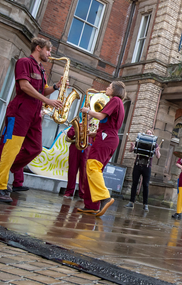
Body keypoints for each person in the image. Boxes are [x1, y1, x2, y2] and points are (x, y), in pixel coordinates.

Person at [0, 37, 64, 203]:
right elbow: (24, 86)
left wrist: (55, 87)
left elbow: (43, 90)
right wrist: (48, 101)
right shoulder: (24, 62)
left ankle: (2, 170)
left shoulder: (41, 70)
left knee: (36, 148)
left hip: (34, 114)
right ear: (38, 48)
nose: (49, 54)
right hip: (19, 112)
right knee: (11, 149)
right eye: (48, 50)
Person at [76, 81, 126, 217]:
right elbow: (108, 122)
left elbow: (101, 116)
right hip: (107, 137)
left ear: (115, 90)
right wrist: (95, 133)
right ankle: (91, 205)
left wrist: (87, 111)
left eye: (109, 87)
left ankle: (105, 197)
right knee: (94, 170)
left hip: (106, 138)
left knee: (92, 166)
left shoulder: (115, 100)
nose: (107, 88)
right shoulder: (118, 102)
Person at [126, 129, 161, 211]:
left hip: (147, 166)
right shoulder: (140, 141)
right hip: (138, 165)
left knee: (145, 185)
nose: (148, 134)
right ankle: (131, 202)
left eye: (150, 133)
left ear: (152, 135)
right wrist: (132, 146)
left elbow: (158, 156)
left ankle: (145, 204)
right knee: (134, 183)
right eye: (147, 133)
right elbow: (130, 150)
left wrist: (157, 151)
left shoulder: (154, 144)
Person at [63, 126, 90, 198]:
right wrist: (77, 128)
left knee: (84, 172)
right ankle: (69, 192)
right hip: (75, 147)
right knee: (72, 170)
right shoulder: (77, 124)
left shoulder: (93, 126)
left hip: (86, 149)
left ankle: (83, 193)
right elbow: (70, 135)